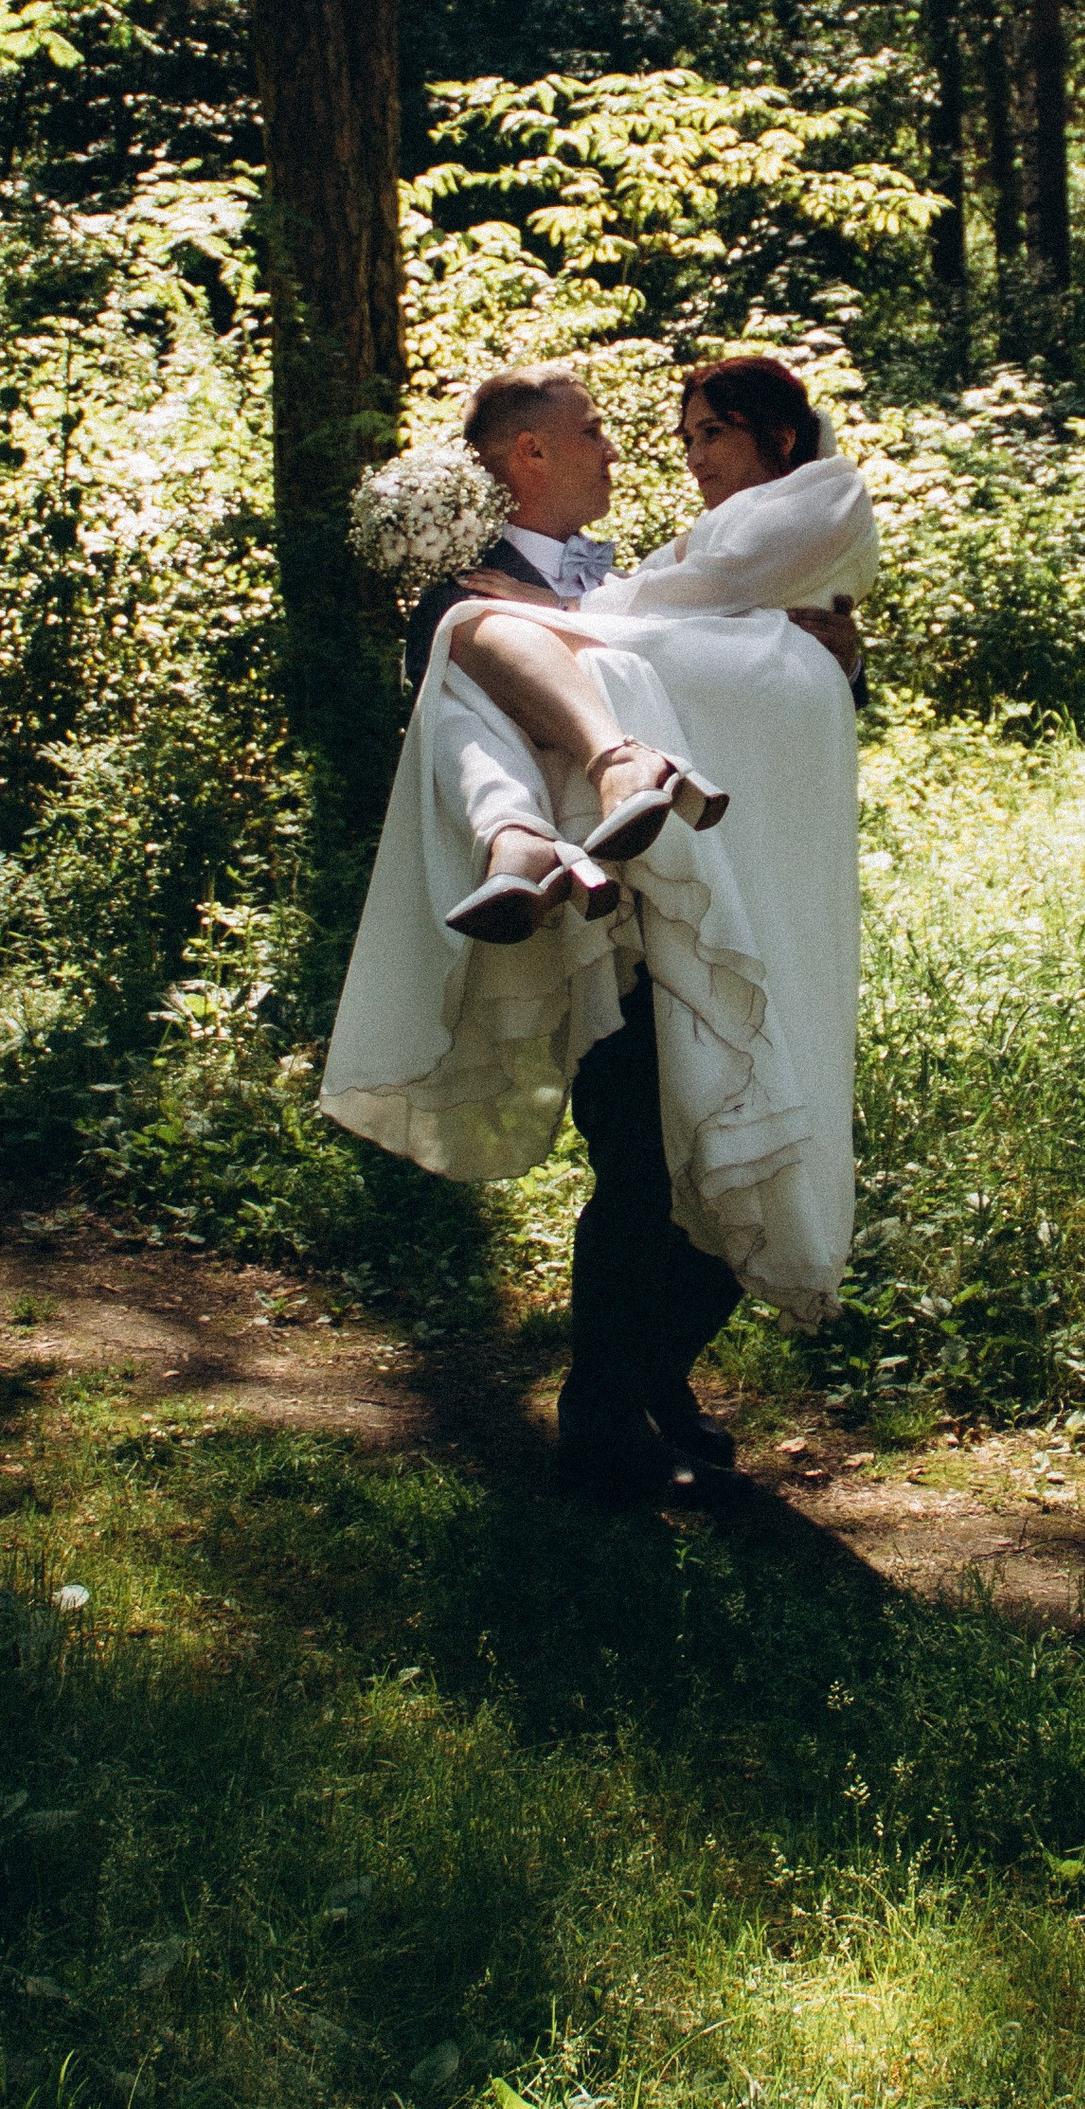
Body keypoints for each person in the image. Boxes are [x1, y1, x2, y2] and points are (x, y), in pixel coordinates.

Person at [321, 354, 876, 1503]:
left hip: (716, 890)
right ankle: (602, 1417)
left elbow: (708, 673)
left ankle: (651, 1383)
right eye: (595, 429)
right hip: (600, 928)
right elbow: (485, 718)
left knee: (714, 1151)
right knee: (641, 1162)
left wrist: (818, 661)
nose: (626, 451)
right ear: (530, 452)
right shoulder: (459, 602)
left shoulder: (640, 585)